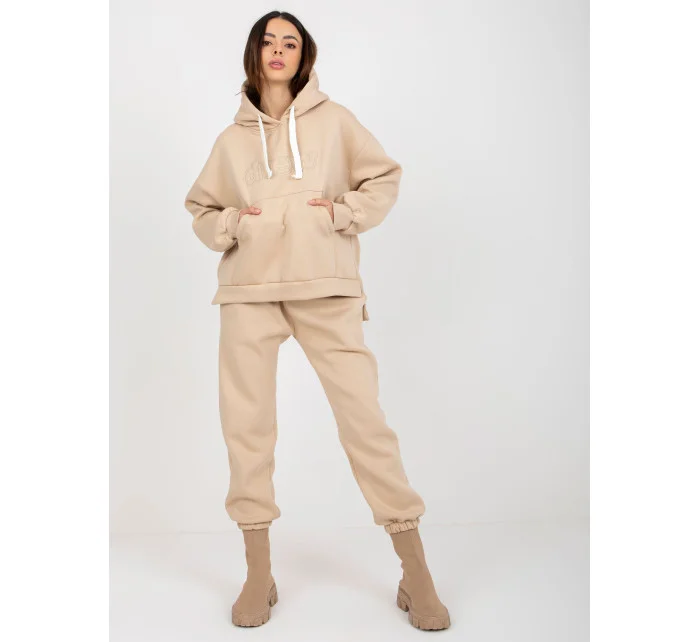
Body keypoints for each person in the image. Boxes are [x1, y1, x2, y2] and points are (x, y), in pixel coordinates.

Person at [184, 10, 450, 631]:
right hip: (248, 291)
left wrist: (340, 214)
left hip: (325, 286)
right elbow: (201, 209)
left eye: (291, 42)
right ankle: (258, 572)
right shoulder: (231, 140)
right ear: (254, 54)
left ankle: (415, 571)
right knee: (246, 429)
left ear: (305, 56)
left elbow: (383, 176)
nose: (279, 50)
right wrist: (233, 223)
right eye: (269, 41)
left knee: (365, 422)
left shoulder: (335, 122)